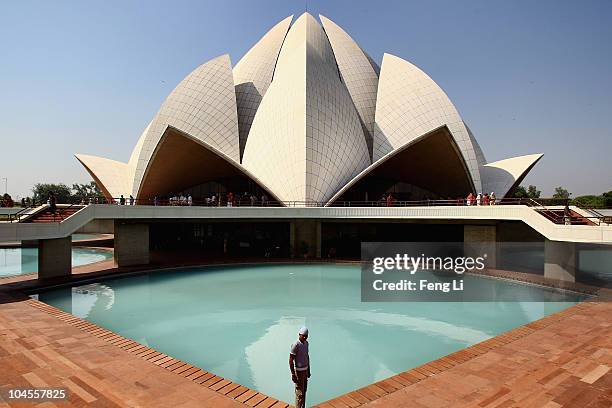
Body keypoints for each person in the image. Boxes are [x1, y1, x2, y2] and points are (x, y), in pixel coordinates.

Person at [289, 326, 311, 408]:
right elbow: (291, 359)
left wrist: (308, 370)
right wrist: (293, 374)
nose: (305, 337)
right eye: (303, 335)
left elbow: (307, 356)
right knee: (299, 394)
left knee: (304, 391)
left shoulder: (306, 344)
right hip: (298, 372)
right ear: (299, 334)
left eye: (306, 335)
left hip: (305, 371)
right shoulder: (296, 345)